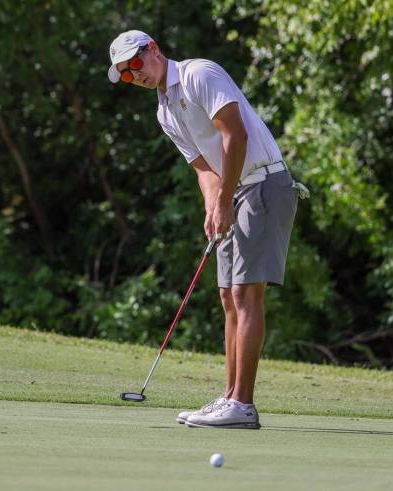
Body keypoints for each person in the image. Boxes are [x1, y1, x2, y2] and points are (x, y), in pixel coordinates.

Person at [108, 30, 307, 429]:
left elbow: (235, 134)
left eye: (135, 63)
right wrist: (213, 205)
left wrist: (225, 197)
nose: (135, 75)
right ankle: (230, 396)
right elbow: (202, 168)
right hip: (235, 191)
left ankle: (243, 405)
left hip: (264, 183)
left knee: (246, 293)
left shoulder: (200, 74)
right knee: (228, 297)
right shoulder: (165, 112)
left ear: (155, 50)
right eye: (126, 75)